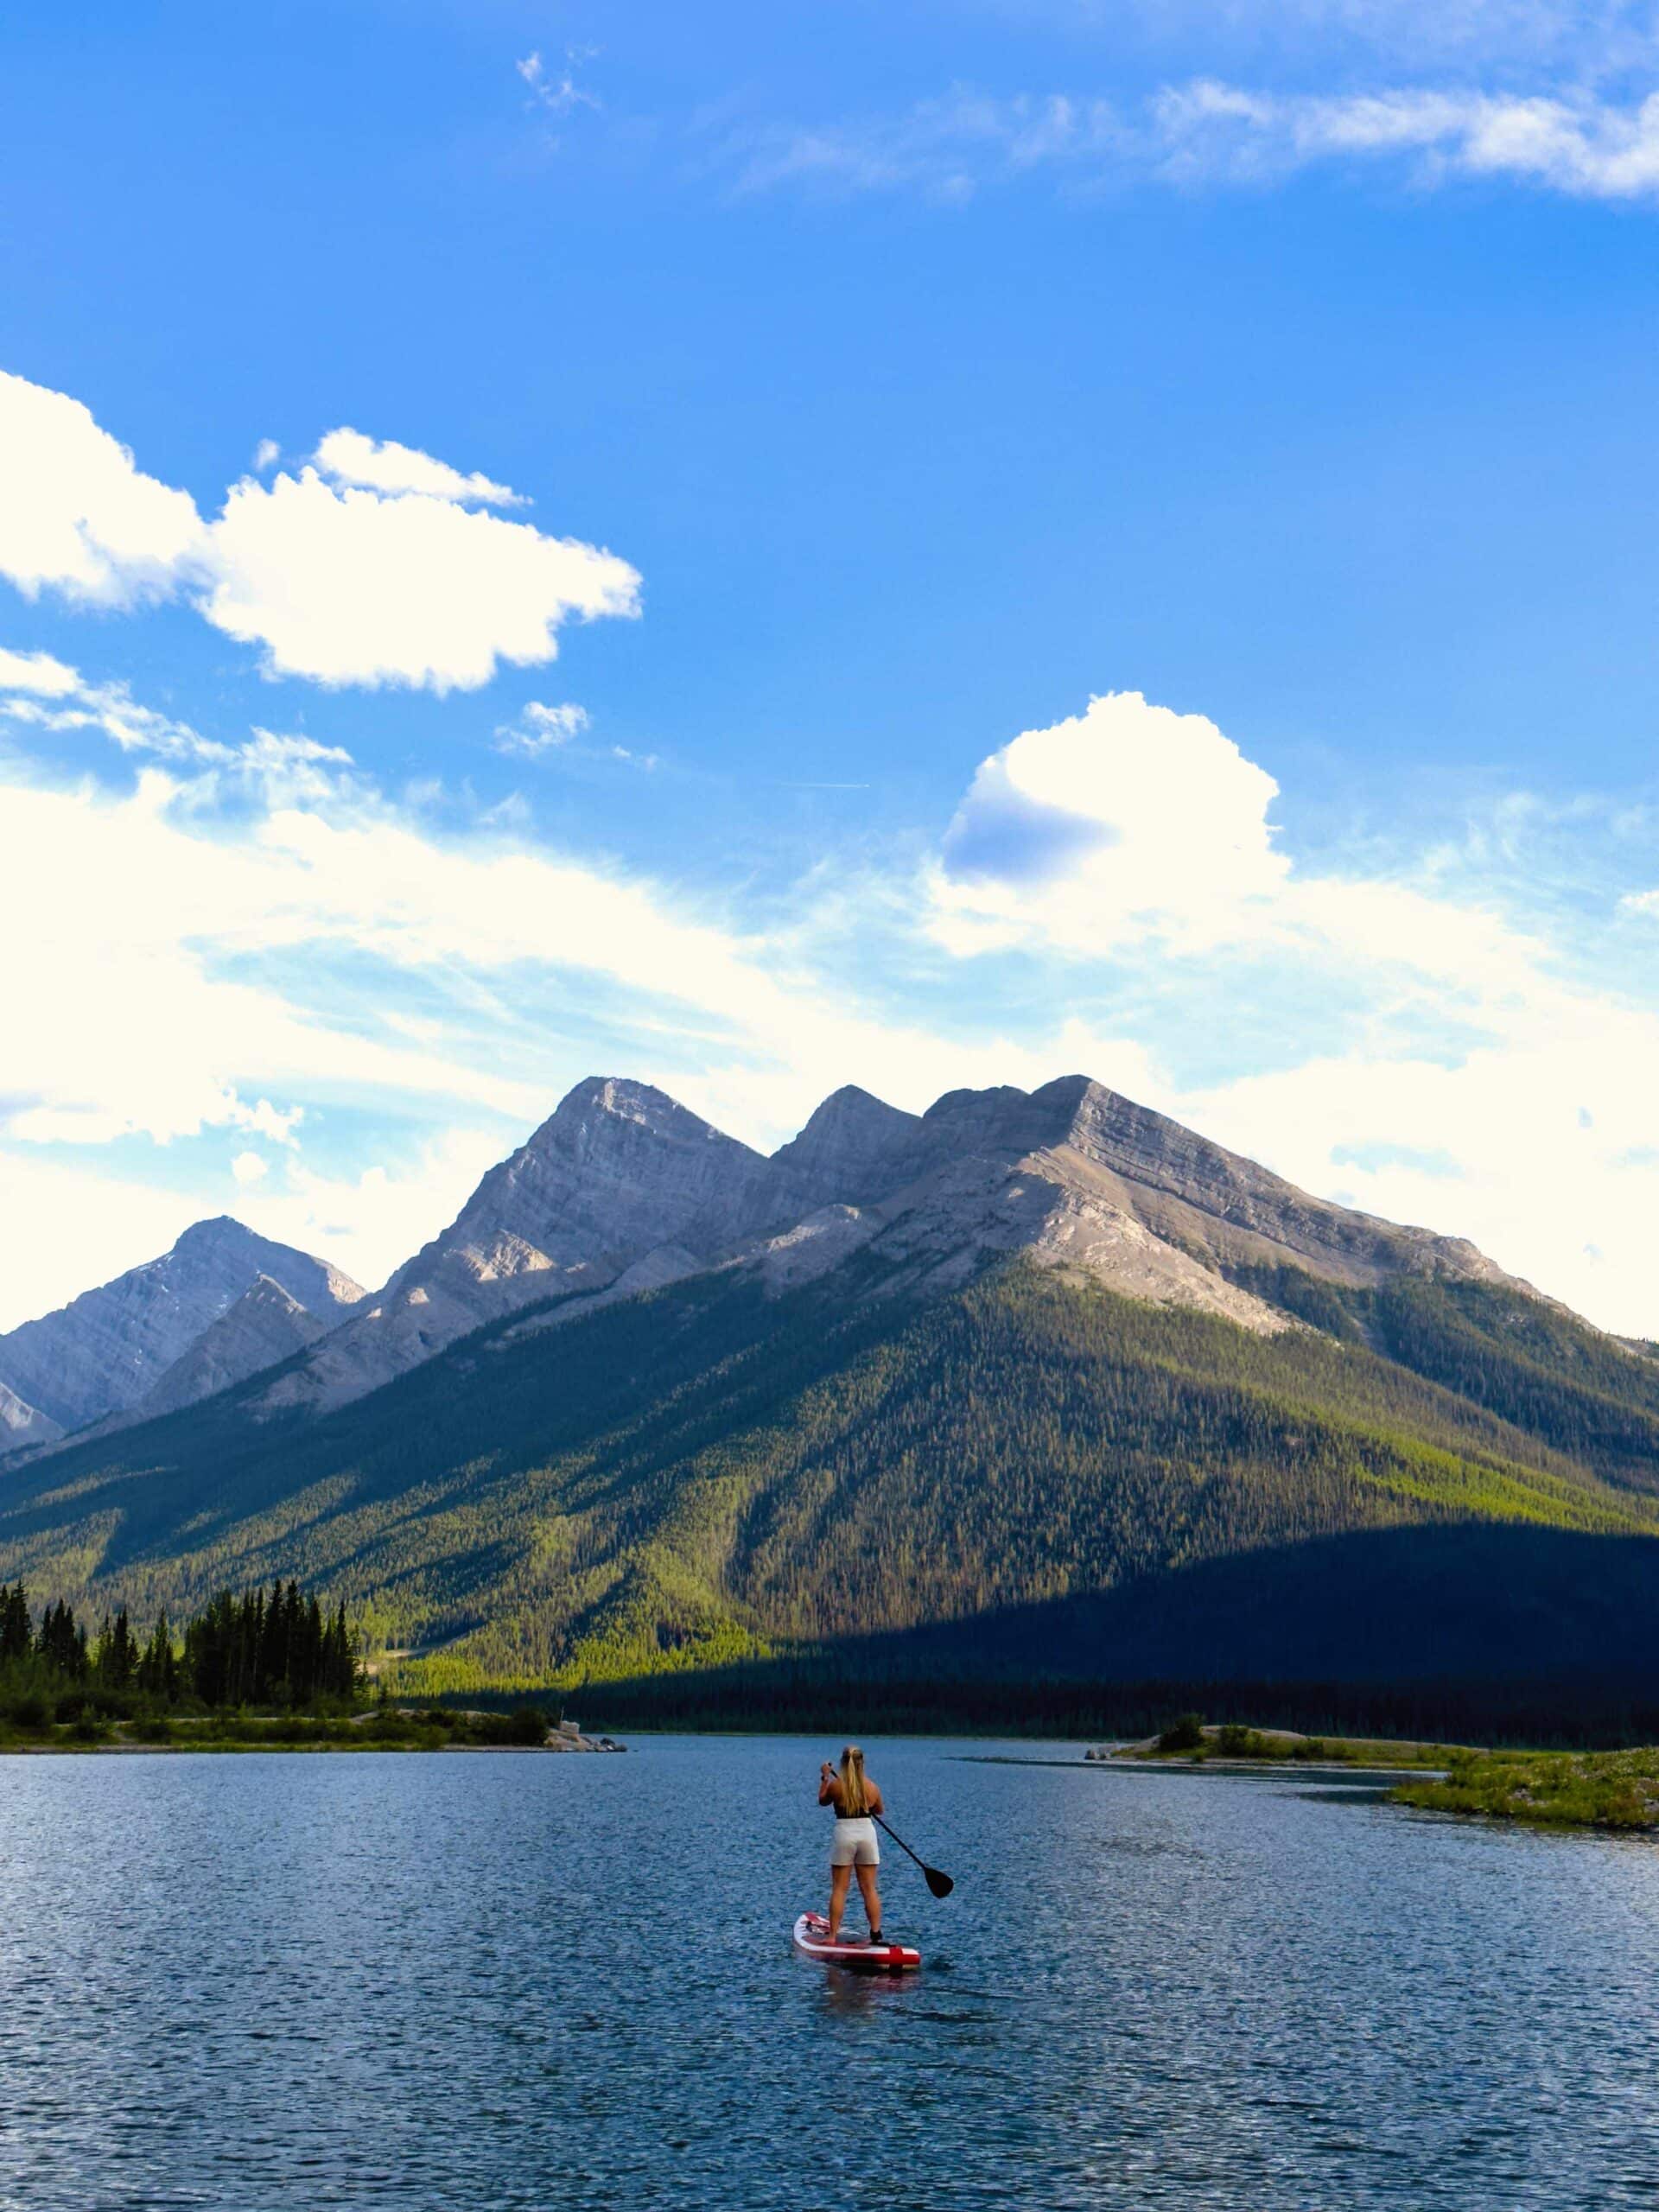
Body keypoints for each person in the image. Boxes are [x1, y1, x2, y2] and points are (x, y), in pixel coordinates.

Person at [818, 1744, 885, 1945]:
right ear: (861, 1763)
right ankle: (876, 1934)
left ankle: (831, 1937)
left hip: (844, 1832)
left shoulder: (836, 1786)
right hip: (866, 1833)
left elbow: (822, 1801)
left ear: (843, 1763)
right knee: (869, 1888)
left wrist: (825, 1777)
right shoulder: (872, 1787)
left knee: (840, 1888)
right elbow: (880, 1811)